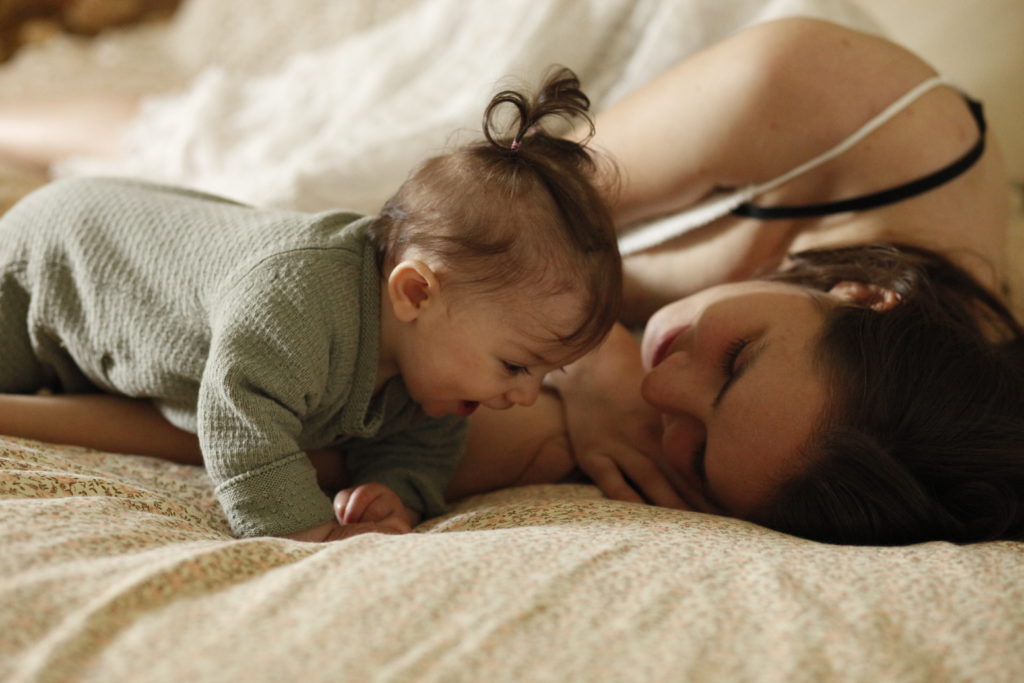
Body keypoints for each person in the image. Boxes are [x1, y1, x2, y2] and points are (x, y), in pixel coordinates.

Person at [2, 17, 1021, 545]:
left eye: (695, 445)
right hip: (549, 129)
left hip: (475, 275)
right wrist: (604, 361)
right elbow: (514, 207)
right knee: (271, 166)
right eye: (735, 359)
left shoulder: (848, 461)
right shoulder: (854, 110)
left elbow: (290, 417)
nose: (667, 387)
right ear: (862, 294)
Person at [0, 67, 623, 543]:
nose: (521, 395)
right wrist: (301, 528)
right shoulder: (296, 302)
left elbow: (419, 445)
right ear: (415, 293)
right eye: (517, 366)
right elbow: (238, 416)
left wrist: (392, 491)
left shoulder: (435, 368)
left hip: (101, 303)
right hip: (58, 265)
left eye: (544, 375)